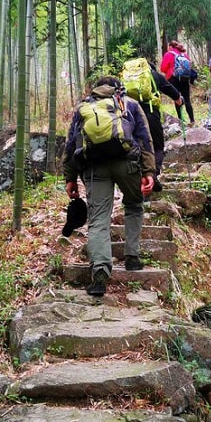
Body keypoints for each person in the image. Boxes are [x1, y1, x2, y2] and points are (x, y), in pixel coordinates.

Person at [62, 76, 156, 296]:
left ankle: (100, 273)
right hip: (127, 164)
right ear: (117, 88)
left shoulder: (84, 108)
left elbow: (70, 144)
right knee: (134, 205)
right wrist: (149, 171)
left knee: (98, 220)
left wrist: (70, 177)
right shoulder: (129, 103)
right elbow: (144, 137)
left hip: (95, 168)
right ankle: (132, 257)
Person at [122, 57, 182, 192]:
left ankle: (139, 178)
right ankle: (153, 175)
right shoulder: (154, 75)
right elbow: (171, 90)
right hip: (150, 114)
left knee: (135, 145)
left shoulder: (127, 79)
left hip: (131, 116)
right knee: (157, 145)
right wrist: (179, 99)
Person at [160, 40, 196, 125]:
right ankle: (192, 120)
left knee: (177, 98)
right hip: (185, 78)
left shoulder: (169, 54)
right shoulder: (185, 55)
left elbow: (163, 68)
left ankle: (181, 120)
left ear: (170, 47)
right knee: (187, 99)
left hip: (173, 78)